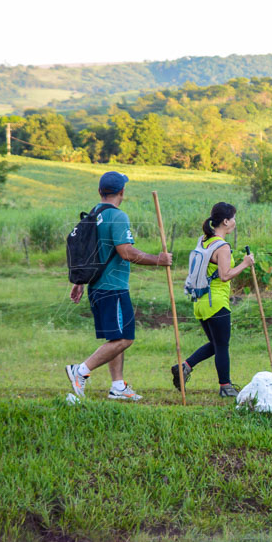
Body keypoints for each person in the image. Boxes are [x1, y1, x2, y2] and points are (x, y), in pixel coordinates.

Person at [66, 171, 172, 401]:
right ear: (122, 192)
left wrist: (80, 281)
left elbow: (87, 251)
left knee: (115, 338)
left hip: (97, 286)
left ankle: (117, 386)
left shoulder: (94, 213)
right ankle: (80, 370)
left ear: (100, 192)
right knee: (125, 339)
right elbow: (126, 251)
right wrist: (158, 259)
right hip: (112, 287)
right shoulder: (118, 216)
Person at [170, 202, 255, 398]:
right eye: (233, 217)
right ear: (225, 221)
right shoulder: (222, 246)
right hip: (216, 302)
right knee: (222, 346)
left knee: (216, 344)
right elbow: (225, 275)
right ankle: (225, 386)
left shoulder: (203, 241)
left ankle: (185, 367)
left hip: (200, 302)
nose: (234, 221)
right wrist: (245, 263)